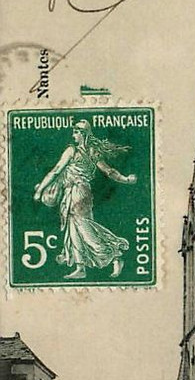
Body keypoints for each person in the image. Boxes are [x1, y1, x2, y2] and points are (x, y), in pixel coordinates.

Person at [33, 119, 137, 280]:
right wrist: (125, 179)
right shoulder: (92, 151)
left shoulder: (71, 150)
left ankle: (115, 255)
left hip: (77, 192)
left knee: (83, 228)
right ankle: (80, 267)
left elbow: (55, 171)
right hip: (81, 192)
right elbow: (109, 171)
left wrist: (40, 190)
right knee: (76, 227)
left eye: (75, 132)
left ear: (82, 134)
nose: (73, 135)